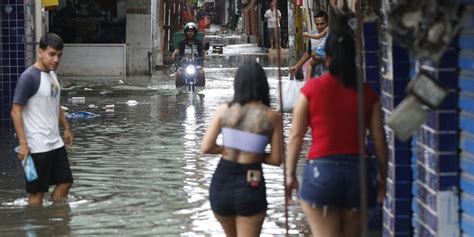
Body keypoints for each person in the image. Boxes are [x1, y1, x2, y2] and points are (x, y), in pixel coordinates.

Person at [285, 32, 388, 237]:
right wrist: (383, 178)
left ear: (327, 57)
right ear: (354, 57)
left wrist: (290, 175)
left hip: (321, 174)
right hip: (358, 174)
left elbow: (296, 136)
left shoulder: (312, 89)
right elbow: (379, 140)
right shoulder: (367, 93)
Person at [201, 62, 282, 236]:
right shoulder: (272, 116)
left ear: (237, 83)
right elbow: (276, 160)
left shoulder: (225, 110)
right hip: (251, 182)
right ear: (263, 84)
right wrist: (251, 152)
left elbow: (206, 147)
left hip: (221, 182)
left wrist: (227, 149)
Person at [11, 33, 74, 206]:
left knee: (66, 182)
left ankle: (55, 222)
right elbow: (16, 111)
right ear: (40, 52)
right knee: (37, 195)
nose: (56, 59)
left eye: (59, 55)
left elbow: (55, 103)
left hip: (55, 143)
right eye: (52, 54)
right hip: (36, 147)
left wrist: (66, 127)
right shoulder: (29, 77)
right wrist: (23, 144)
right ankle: (38, 227)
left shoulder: (52, 75)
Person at [289, 11, 329, 79]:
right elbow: (308, 53)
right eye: (317, 24)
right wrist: (297, 66)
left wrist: (320, 58)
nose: (319, 27)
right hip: (315, 75)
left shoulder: (332, 35)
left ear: (327, 22)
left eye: (322, 24)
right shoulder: (312, 34)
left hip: (328, 74)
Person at [171, 22, 205, 86]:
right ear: (186, 32)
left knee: (201, 73)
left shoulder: (198, 42)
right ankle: (179, 91)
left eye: (192, 31)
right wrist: (174, 54)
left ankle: (201, 90)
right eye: (188, 31)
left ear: (194, 32)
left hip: (196, 64)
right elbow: (177, 50)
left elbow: (203, 51)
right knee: (179, 73)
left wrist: (206, 55)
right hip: (184, 64)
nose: (190, 33)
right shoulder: (182, 42)